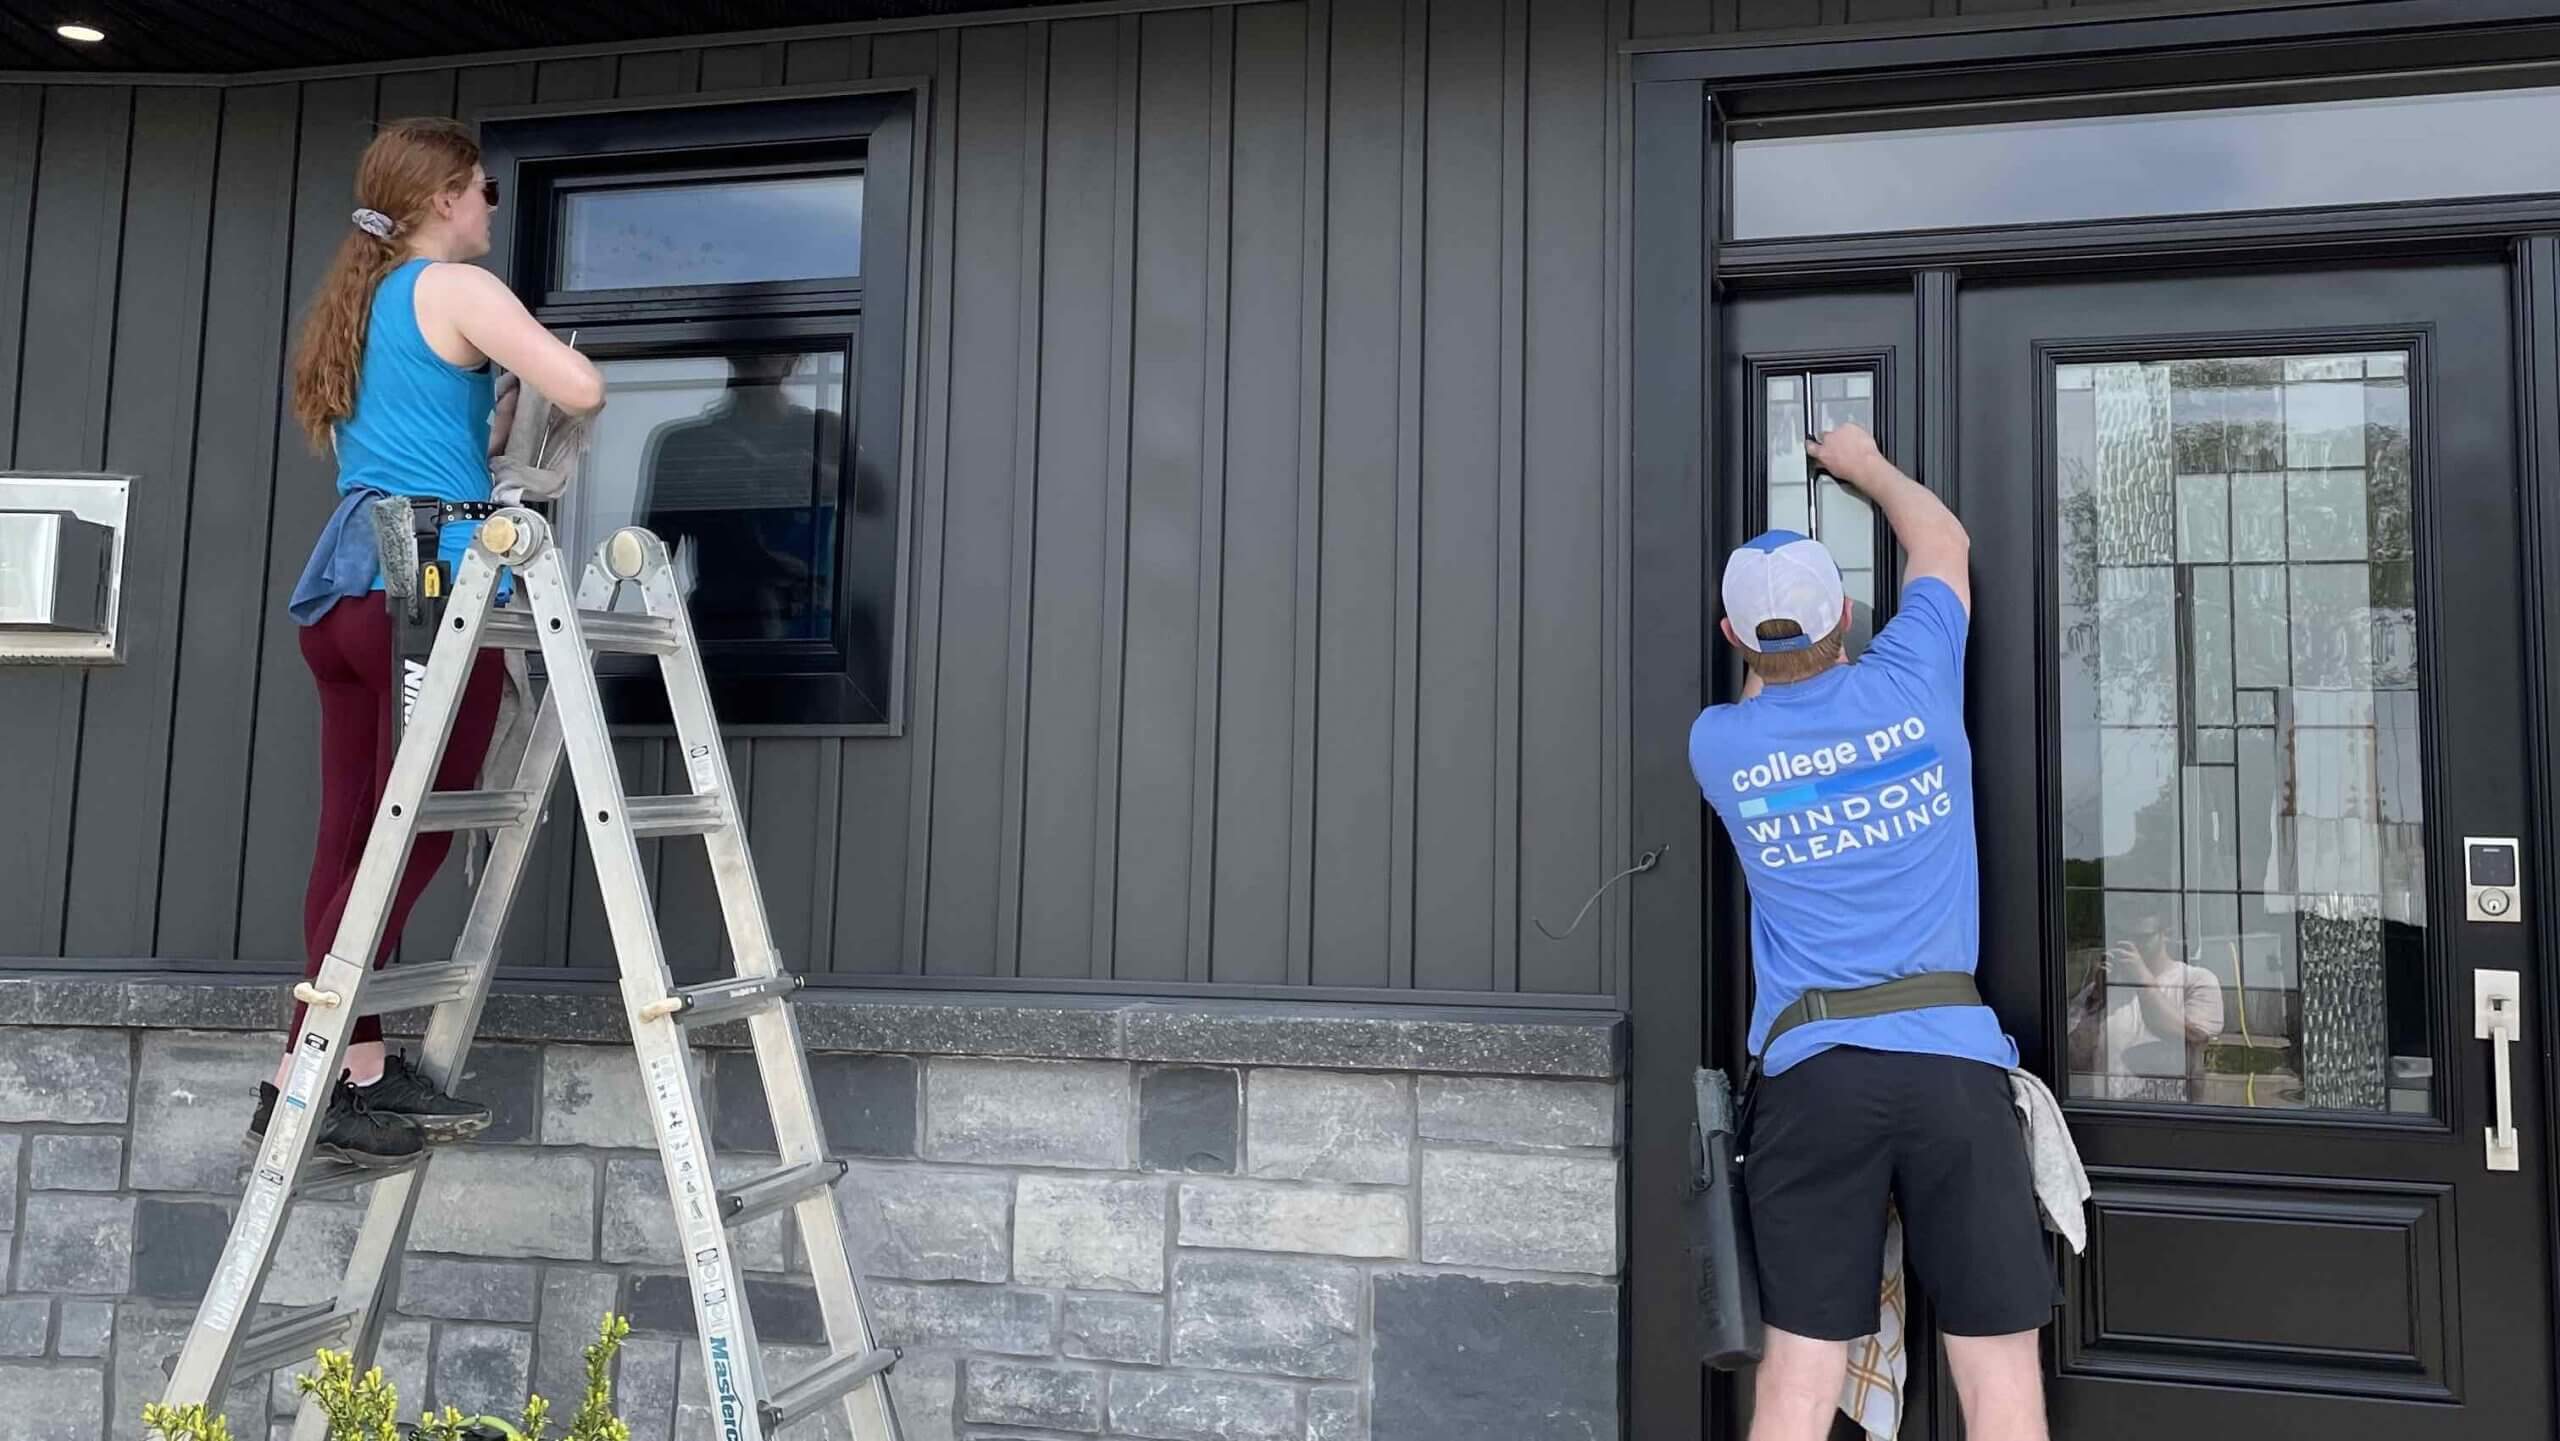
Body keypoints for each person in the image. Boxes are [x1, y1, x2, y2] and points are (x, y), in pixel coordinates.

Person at [1689, 423, 2051, 1441]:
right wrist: (1860, 464)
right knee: (2001, 1387)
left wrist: (1777, 649)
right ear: (1849, 612)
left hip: (1814, 1082)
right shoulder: (1914, 682)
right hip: (1951, 1072)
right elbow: (1941, 544)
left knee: (1798, 1388)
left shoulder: (1720, 746)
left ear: (1730, 638)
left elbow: (1775, 683)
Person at [255, 117, 606, 1166]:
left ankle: (353, 1064)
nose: (493, 207)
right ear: (447, 193)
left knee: (354, 830)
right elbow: (580, 387)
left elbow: (419, 428)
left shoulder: (360, 297)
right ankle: (302, 1071)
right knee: (419, 827)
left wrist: (483, 426)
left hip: (350, 581)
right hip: (429, 580)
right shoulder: (456, 289)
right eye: (486, 190)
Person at [2067, 918, 2227, 1103]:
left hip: (2173, 1115)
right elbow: (2073, 1058)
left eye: (2141, 938)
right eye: (2123, 938)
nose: (2132, 946)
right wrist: (2097, 999)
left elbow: (2196, 1040)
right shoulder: (2100, 990)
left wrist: (2142, 979)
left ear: (2165, 933)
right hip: (2110, 1113)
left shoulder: (2196, 981)